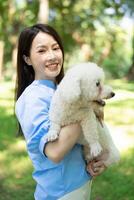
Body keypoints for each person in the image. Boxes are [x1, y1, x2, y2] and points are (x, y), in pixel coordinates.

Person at [15, 23, 106, 200]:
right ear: (27, 59)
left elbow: (82, 135)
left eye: (55, 48)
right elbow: (54, 152)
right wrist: (86, 106)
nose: (52, 56)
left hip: (81, 183)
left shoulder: (60, 90)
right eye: (41, 51)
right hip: (59, 193)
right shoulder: (33, 98)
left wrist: (94, 161)